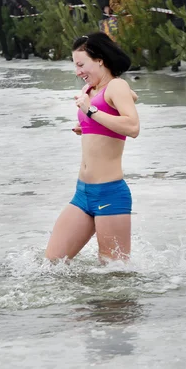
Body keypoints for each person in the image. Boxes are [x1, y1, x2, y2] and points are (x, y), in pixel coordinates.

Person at [45, 32, 140, 263]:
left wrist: (91, 112)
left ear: (99, 60)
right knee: (52, 264)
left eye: (81, 65)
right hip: (82, 193)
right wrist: (86, 125)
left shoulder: (116, 85)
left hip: (109, 193)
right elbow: (127, 102)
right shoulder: (92, 90)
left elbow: (133, 126)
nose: (78, 72)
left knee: (113, 276)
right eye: (75, 66)